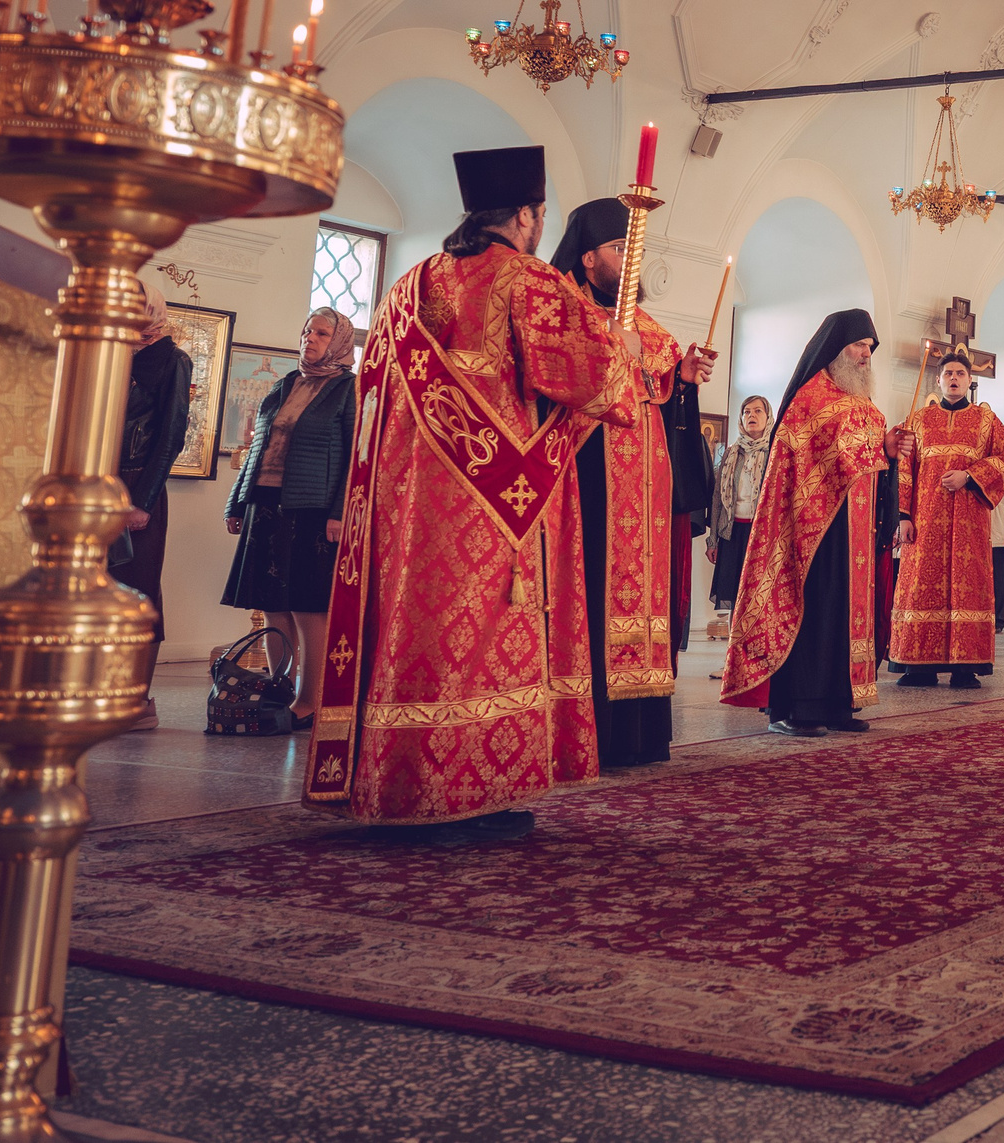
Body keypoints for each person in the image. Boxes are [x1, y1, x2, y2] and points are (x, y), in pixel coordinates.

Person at [306, 146, 642, 834]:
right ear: (525, 215)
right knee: (481, 638)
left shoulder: (409, 284)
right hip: (490, 502)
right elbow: (586, 378)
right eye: (539, 216)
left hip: (407, 502)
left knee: (415, 633)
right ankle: (462, 792)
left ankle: (395, 782)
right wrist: (624, 352)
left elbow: (375, 392)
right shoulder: (527, 279)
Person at [550, 196, 716, 767]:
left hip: (644, 502)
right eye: (621, 249)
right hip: (587, 488)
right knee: (589, 597)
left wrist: (683, 380)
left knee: (646, 605)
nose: (631, 261)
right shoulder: (562, 313)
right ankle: (588, 730)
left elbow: (664, 402)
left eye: (634, 250)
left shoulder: (649, 330)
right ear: (588, 256)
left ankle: (638, 734)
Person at [721, 311, 898, 735]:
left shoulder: (867, 408)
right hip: (810, 532)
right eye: (859, 346)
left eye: (870, 348)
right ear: (836, 349)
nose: (866, 355)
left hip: (855, 535)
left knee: (844, 615)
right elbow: (806, 465)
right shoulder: (809, 399)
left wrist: (889, 451)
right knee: (813, 610)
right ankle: (796, 709)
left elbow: (871, 464)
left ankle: (839, 705)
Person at [220, 308, 360, 726]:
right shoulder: (285, 384)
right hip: (264, 502)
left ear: (339, 342)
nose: (309, 338)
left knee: (306, 607)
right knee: (271, 603)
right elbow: (258, 447)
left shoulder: (348, 390)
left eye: (321, 333)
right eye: (307, 331)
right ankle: (279, 690)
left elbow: (358, 456)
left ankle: (309, 700)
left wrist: (341, 513)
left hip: (313, 508)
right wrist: (236, 501)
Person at [890, 353, 1004, 689]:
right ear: (938, 379)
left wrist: (969, 476)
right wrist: (903, 516)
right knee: (921, 587)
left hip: (968, 522)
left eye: (960, 373)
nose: (954, 378)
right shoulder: (918, 420)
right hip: (925, 520)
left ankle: (965, 667)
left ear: (969, 380)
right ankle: (919, 667)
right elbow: (903, 468)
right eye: (948, 373)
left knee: (967, 587)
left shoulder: (987, 420)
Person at [112, 280, 194, 730]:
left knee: (139, 592)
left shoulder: (172, 359)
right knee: (98, 590)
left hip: (137, 489)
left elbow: (171, 435)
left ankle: (137, 700)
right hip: (102, 486)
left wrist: (142, 501)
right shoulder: (112, 352)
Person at [709, 394, 773, 637]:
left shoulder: (775, 453)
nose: (751, 416)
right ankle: (733, 650)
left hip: (762, 534)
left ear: (768, 417)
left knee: (759, 592)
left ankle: (758, 647)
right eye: (746, 412)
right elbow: (717, 497)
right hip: (732, 533)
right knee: (735, 592)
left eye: (757, 411)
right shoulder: (731, 453)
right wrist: (713, 540)